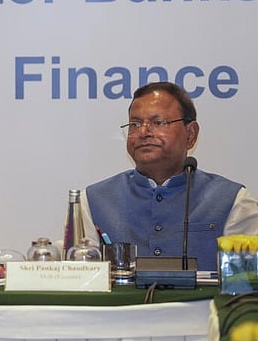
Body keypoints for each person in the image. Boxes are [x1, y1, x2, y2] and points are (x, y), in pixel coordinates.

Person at [82, 81, 258, 271]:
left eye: (158, 123)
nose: (143, 132)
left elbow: (245, 287)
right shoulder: (92, 201)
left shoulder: (234, 201)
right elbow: (80, 284)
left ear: (190, 134)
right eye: (135, 124)